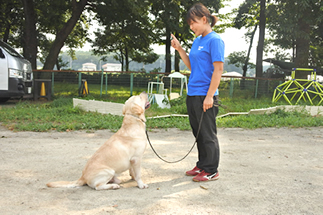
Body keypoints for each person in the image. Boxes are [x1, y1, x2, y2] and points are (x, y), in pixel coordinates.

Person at [171, 3, 224, 182]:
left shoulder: (215, 40)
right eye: (189, 24)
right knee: (198, 132)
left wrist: (209, 96)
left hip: (205, 94)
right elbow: (193, 66)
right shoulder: (198, 40)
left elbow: (218, 70)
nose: (191, 27)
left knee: (208, 134)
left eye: (193, 23)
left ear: (204, 19)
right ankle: (202, 164)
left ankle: (211, 170)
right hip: (193, 93)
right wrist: (179, 48)